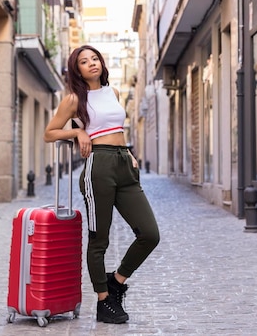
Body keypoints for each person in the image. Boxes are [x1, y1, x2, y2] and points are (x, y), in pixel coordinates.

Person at [44, 45, 160, 324]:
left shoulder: (114, 92)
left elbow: (116, 129)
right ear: (77, 69)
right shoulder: (73, 99)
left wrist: (129, 153)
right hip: (99, 166)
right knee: (100, 239)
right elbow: (49, 133)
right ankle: (103, 300)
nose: (91, 64)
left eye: (94, 58)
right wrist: (78, 131)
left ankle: (117, 282)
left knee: (149, 234)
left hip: (124, 163)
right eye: (84, 61)